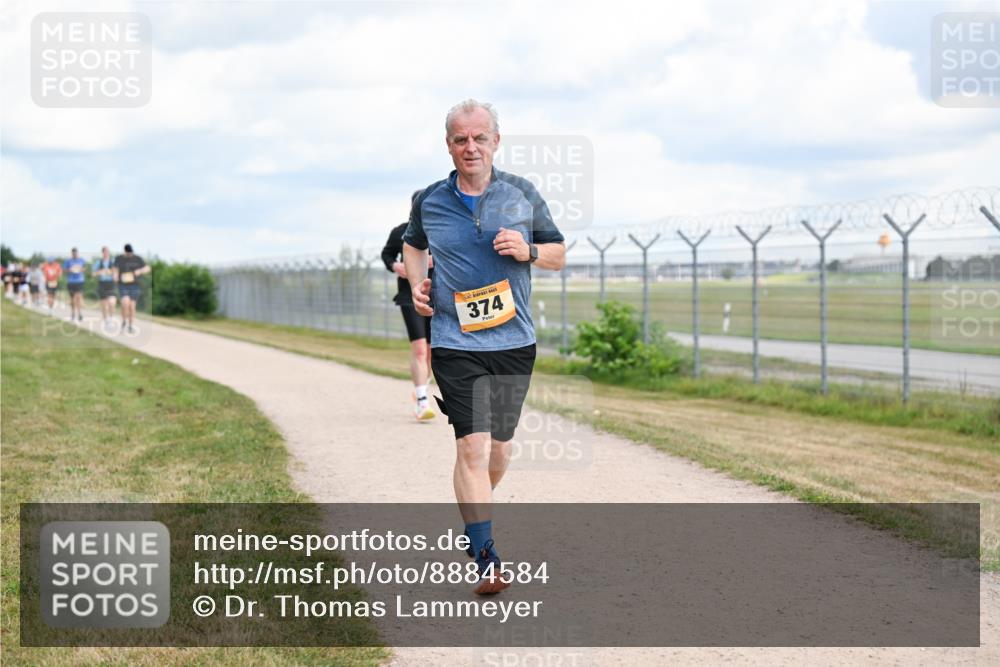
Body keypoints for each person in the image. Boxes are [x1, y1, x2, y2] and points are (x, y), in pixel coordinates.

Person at [402, 99, 565, 595]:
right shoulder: (429, 200)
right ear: (448, 145)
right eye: (460, 139)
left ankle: (474, 518)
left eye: (479, 138)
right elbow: (413, 245)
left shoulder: (522, 193)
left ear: (496, 141)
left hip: (514, 340)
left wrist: (529, 250)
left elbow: (558, 253)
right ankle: (486, 555)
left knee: (498, 450)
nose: (470, 147)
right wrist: (417, 285)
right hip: (455, 340)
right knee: (471, 446)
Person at [382, 197, 437, 421]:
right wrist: (397, 265)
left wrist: (433, 260)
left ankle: (420, 389)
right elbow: (386, 254)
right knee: (420, 350)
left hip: (436, 296)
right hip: (409, 296)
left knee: (433, 353)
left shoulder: (441, 231)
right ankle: (422, 402)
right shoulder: (401, 232)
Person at [114, 243, 151, 334]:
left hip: (134, 285)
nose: (129, 254)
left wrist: (140, 271)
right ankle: (123, 322)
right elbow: (115, 269)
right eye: (128, 253)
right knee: (125, 303)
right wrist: (115, 276)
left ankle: (130, 326)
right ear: (125, 251)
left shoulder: (137, 259)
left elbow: (148, 268)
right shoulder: (119, 258)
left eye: (131, 253)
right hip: (123, 284)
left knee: (132, 306)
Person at [92, 246, 117, 323]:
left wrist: (113, 274)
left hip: (111, 283)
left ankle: (111, 318)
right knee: (104, 303)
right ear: (102, 253)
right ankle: (105, 319)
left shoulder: (113, 261)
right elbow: (93, 274)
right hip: (102, 283)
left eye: (107, 251)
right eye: (105, 252)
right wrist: (100, 272)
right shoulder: (98, 262)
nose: (106, 253)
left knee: (111, 302)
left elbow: (117, 271)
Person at [63, 248, 87, 321]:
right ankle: (73, 313)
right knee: (72, 299)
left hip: (79, 281)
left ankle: (79, 314)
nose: (75, 254)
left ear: (77, 253)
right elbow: (64, 270)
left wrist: (80, 269)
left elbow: (85, 268)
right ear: (72, 253)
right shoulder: (68, 261)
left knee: (79, 297)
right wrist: (70, 270)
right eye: (73, 253)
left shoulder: (81, 260)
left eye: (76, 253)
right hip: (71, 281)